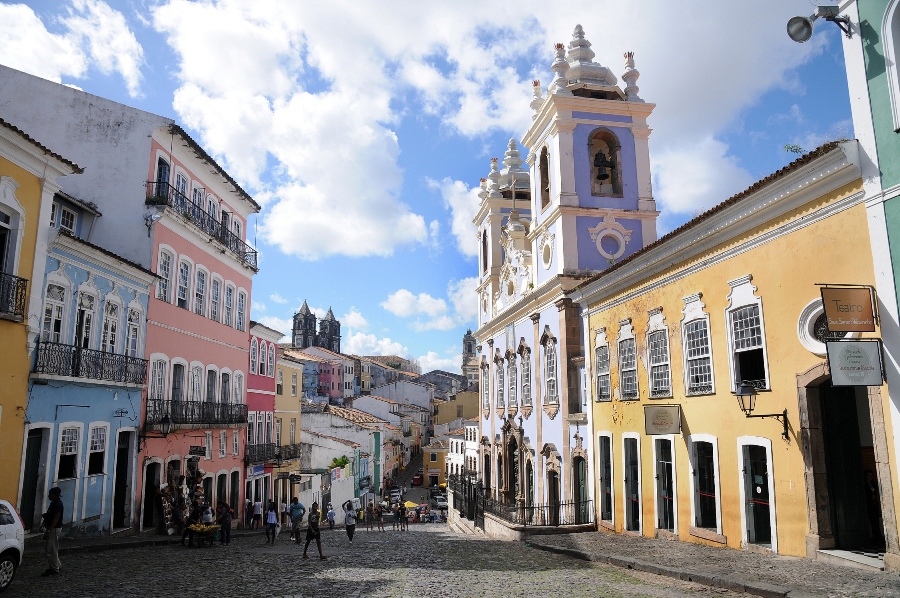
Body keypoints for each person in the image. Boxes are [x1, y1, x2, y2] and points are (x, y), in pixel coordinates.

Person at [41, 487, 64, 576]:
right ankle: (57, 565)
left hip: (54, 529)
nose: (49, 496)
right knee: (53, 548)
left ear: (55, 495)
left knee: (51, 550)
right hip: (53, 528)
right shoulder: (54, 503)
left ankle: (54, 569)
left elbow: (56, 518)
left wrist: (49, 530)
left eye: (50, 494)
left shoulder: (57, 504)